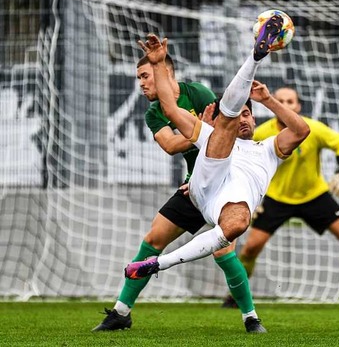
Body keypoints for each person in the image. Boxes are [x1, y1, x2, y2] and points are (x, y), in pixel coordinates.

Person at [124, 15, 310, 320]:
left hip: (228, 204)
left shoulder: (267, 150)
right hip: (203, 184)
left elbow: (300, 131)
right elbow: (171, 112)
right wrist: (157, 64)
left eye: (249, 115)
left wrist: (269, 100)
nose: (245, 119)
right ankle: (255, 57)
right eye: (242, 114)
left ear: (257, 119)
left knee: (235, 227)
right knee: (220, 127)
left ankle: (161, 265)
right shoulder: (211, 130)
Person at [93, 53, 262, 333]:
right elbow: (171, 145)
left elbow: (227, 132)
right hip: (193, 187)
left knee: (223, 253)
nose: (142, 84)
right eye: (140, 78)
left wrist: (207, 132)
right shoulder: (154, 112)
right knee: (153, 239)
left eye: (146, 76)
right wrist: (203, 131)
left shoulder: (197, 93)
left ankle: (251, 318)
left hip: (225, 185)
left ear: (166, 73)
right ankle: (121, 313)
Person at [222, 86, 339, 309]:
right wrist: (251, 200)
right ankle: (235, 297)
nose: (286, 105)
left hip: (314, 195)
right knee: (250, 248)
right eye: (281, 100)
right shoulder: (261, 133)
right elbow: (240, 163)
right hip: (276, 198)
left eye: (290, 101)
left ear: (298, 106)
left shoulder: (313, 128)